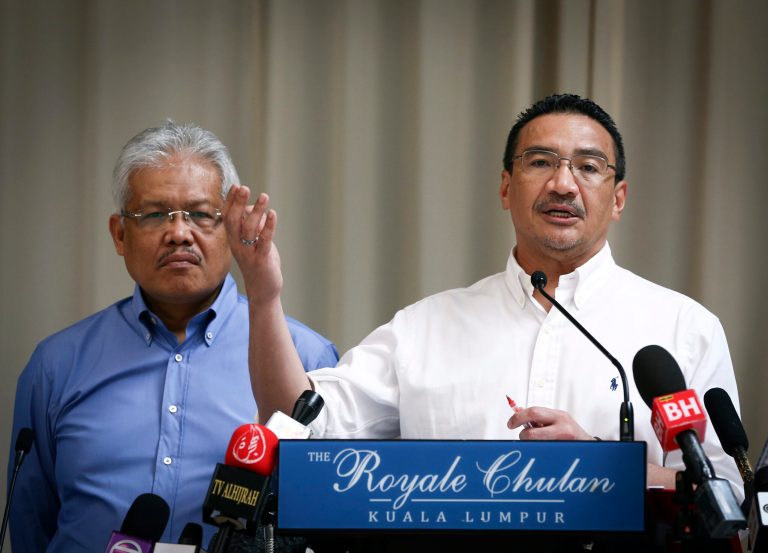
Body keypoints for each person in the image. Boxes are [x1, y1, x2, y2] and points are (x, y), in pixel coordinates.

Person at [223, 94, 742, 497]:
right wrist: (264, 297)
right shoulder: (424, 328)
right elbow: (297, 423)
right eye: (540, 162)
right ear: (505, 187)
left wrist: (601, 466)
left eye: (588, 167)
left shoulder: (683, 329)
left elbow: (726, 495)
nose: (563, 184)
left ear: (619, 197)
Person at [7, 121, 339, 552]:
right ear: (119, 234)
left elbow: (328, 524)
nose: (179, 233)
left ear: (232, 230)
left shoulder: (306, 359)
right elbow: (31, 527)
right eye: (154, 215)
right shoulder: (55, 366)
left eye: (200, 214)